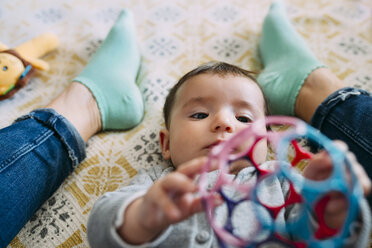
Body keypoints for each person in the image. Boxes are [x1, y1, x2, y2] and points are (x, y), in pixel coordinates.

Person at [0, 1, 370, 248]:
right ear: (165, 144)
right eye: (198, 114)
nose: (224, 124)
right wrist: (143, 218)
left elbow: (315, 236)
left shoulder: (282, 180)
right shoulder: (158, 185)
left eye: (244, 118)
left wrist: (332, 208)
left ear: (271, 140)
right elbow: (101, 229)